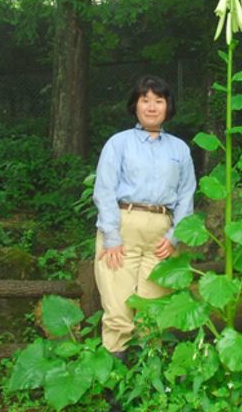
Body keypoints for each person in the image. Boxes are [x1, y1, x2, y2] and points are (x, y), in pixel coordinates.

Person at [92, 75, 196, 357]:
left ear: (167, 106)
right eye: (145, 100)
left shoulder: (179, 149)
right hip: (121, 230)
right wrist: (111, 236)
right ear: (135, 105)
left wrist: (174, 237)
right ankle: (115, 377)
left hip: (161, 236)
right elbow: (104, 189)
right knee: (118, 310)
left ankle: (148, 374)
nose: (151, 107)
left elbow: (187, 195)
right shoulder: (119, 143)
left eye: (158, 101)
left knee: (153, 311)